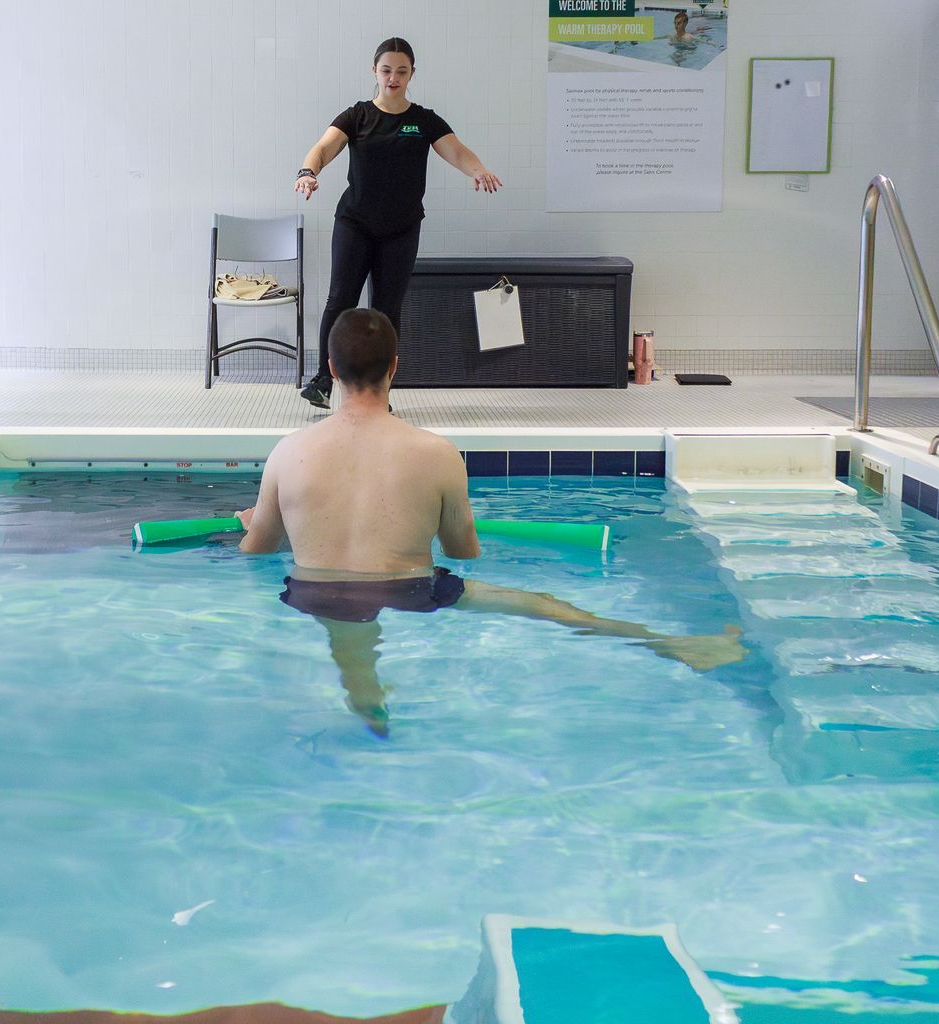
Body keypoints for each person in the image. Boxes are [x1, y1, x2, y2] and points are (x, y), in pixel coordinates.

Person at [237, 308, 746, 736]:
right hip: (412, 589)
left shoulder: (289, 452)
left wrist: (256, 521)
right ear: (395, 367)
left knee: (348, 636)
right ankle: (672, 645)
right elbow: (464, 552)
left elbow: (258, 549)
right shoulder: (437, 454)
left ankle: (365, 697)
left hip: (312, 591)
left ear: (330, 367)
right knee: (548, 607)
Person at [293, 37, 502, 409]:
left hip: (401, 230)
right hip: (355, 224)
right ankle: (324, 381)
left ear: (411, 75)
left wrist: (478, 168)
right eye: (386, 70)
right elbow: (324, 146)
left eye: (401, 71)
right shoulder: (357, 116)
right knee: (340, 301)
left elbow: (455, 149)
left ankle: (379, 392)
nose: (393, 78)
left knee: (387, 311)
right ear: (375, 71)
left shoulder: (422, 120)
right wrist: (309, 170)